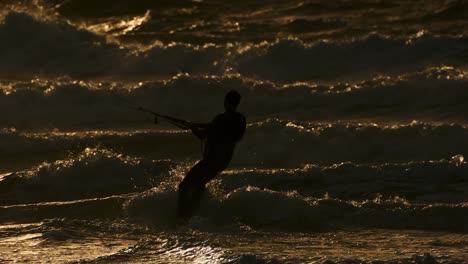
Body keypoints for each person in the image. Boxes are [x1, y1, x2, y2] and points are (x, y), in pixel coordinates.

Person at [176, 90, 246, 220]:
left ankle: (183, 217)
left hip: (214, 160)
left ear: (227, 102)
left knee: (185, 186)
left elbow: (203, 134)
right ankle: (192, 214)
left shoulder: (225, 119)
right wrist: (194, 125)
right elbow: (212, 128)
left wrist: (193, 129)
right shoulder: (238, 119)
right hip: (221, 161)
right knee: (198, 184)